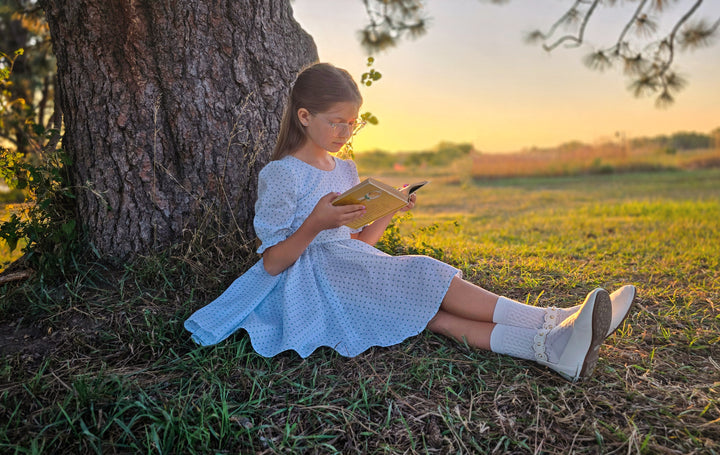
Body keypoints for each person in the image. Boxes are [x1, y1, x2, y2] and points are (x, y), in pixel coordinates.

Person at [184, 63, 636, 382]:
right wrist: (316, 224)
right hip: (310, 280)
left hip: (351, 264)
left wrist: (384, 212)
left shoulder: (344, 168)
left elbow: (359, 242)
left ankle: (555, 348)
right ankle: (559, 321)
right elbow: (273, 262)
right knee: (423, 273)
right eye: (336, 122)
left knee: (431, 314)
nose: (345, 132)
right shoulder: (280, 173)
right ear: (304, 117)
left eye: (352, 124)